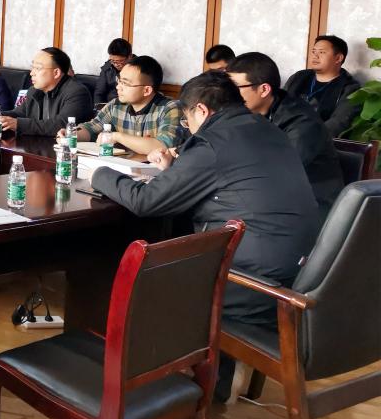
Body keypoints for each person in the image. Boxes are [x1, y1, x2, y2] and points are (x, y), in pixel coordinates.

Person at [90, 72, 319, 399]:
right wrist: (176, 173)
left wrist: (99, 173)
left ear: (201, 110)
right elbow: (235, 185)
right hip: (298, 275)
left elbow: (146, 201)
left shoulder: (213, 142)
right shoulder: (266, 129)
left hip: (252, 285)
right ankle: (212, 385)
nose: (189, 128)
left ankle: (157, 391)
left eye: (186, 120)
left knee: (148, 278)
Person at [227, 52, 344, 218]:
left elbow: (277, 172)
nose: (228, 95)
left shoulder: (303, 123)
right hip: (269, 197)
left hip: (310, 207)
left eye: (235, 88)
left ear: (264, 89)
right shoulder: (246, 112)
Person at [70, 55, 182, 154]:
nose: (118, 87)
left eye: (125, 83)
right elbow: (92, 127)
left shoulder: (170, 108)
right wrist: (71, 134)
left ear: (147, 90)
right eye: (119, 80)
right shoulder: (115, 105)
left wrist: (117, 136)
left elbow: (163, 146)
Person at [0, 47, 93, 135]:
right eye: (32, 67)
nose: (31, 73)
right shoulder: (34, 90)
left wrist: (18, 124)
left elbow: (62, 125)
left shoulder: (77, 92)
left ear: (56, 73)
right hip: (36, 147)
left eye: (37, 68)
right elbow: (19, 113)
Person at [285, 35, 362, 137]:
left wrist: (303, 137)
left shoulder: (350, 88)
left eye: (321, 52)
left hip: (316, 141)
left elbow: (338, 123)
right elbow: (278, 106)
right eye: (314, 52)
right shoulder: (298, 77)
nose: (315, 56)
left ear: (338, 58)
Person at [93, 38, 131, 104]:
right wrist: (99, 107)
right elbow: (99, 93)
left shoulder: (139, 69)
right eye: (113, 61)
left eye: (120, 61)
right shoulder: (107, 68)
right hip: (110, 105)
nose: (116, 64)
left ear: (129, 56)